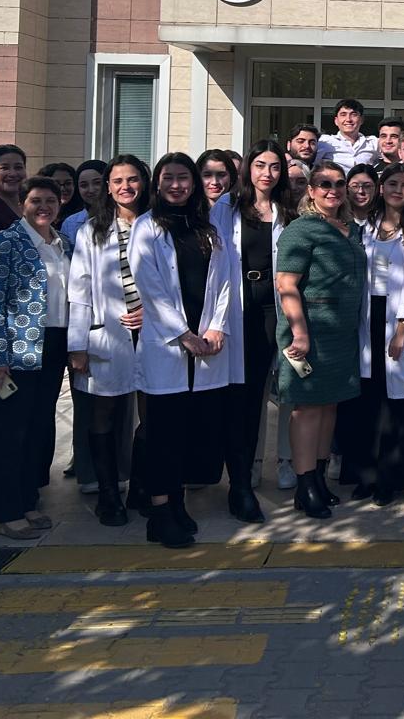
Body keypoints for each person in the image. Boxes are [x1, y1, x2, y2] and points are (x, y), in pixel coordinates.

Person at [130, 153, 234, 547]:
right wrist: (183, 333)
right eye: (168, 178)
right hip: (168, 344)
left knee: (187, 432)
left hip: (204, 343)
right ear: (157, 183)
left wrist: (216, 326)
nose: (176, 185)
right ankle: (159, 511)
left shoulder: (207, 227)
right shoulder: (146, 226)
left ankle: (176, 503)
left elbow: (224, 281)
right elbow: (150, 286)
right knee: (162, 432)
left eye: (183, 178)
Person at [0, 176, 69, 540]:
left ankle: (27, 500)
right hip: (15, 350)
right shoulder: (3, 242)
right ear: (21, 205)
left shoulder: (64, 244)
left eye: (50, 200)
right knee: (8, 432)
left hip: (54, 345)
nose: (43, 207)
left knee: (37, 427)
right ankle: (6, 511)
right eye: (35, 201)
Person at [274, 161, 364, 521]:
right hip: (310, 332)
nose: (333, 190)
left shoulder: (350, 228)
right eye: (324, 184)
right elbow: (286, 283)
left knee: (330, 406)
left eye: (339, 184)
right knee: (308, 407)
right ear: (310, 191)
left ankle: (320, 478)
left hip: (341, 333)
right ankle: (305, 484)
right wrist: (299, 332)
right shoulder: (300, 230)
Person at [208, 141, 292, 523]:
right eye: (260, 165)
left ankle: (251, 474)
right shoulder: (226, 207)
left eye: (274, 167)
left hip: (272, 309)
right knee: (236, 399)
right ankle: (239, 484)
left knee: (259, 391)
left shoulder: (287, 208)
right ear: (248, 169)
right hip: (235, 307)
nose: (267, 174)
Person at [66, 154, 149, 528]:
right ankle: (108, 493)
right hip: (106, 334)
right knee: (104, 413)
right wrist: (77, 344)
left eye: (132, 179)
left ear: (143, 182)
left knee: (150, 413)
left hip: (153, 333)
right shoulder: (92, 230)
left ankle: (140, 487)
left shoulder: (157, 224)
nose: (126, 187)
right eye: (117, 181)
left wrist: (152, 313)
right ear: (108, 187)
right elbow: (79, 289)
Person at [344, 162, 404, 505]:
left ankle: (389, 480)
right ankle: (365, 476)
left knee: (396, 406)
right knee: (370, 403)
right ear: (382, 188)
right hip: (368, 318)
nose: (397, 190)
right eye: (392, 184)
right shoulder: (368, 227)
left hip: (398, 320)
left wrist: (402, 328)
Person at [318, 100, 379, 169]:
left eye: (354, 114)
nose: (348, 119)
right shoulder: (325, 142)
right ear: (336, 121)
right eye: (343, 115)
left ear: (361, 119)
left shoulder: (373, 143)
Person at [61, 160, 108, 249]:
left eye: (97, 183)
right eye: (84, 185)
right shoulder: (70, 223)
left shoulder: (122, 217)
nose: (91, 190)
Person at [346, 162, 379, 227]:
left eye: (367, 186)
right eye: (355, 186)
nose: (360, 191)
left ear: (376, 188)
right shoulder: (338, 218)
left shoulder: (384, 218)